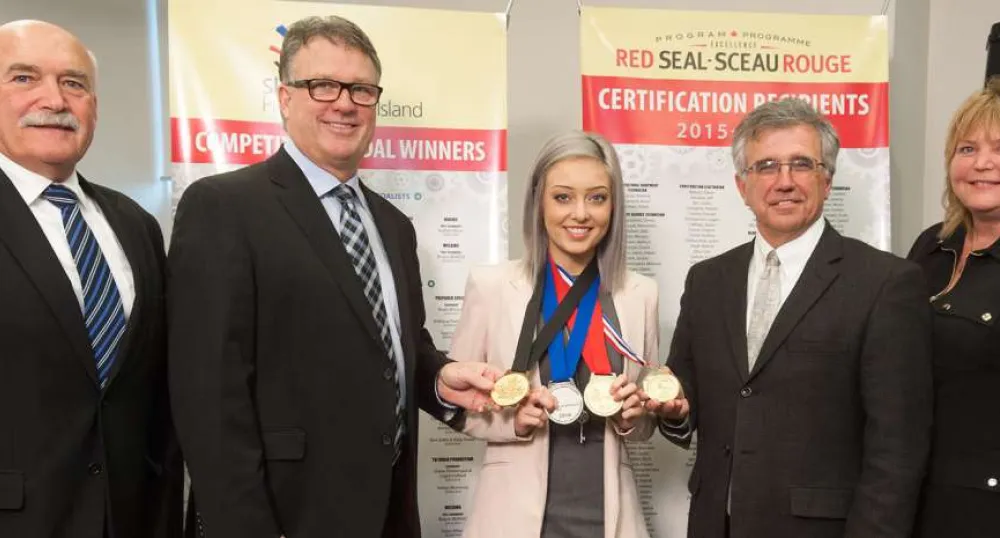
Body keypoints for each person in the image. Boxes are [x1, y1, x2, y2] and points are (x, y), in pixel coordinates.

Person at [168, 15, 501, 538]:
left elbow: (391, 350)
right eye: (323, 85)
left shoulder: (393, 226)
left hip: (388, 511)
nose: (344, 103)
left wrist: (436, 376)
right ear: (284, 97)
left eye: (361, 89)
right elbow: (207, 395)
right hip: (282, 515)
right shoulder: (224, 208)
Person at [646, 98, 933, 538]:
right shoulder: (707, 281)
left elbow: (897, 449)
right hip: (714, 524)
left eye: (801, 164)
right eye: (766, 166)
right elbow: (688, 403)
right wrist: (674, 409)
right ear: (743, 185)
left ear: (827, 179)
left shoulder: (885, 283)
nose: (784, 182)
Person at [0, 19, 182, 538]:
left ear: (94, 108)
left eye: (74, 83)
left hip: (132, 516)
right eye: (23, 78)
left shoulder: (135, 224)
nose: (53, 99)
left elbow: (155, 397)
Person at [449, 130, 658, 538]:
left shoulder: (640, 294)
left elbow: (646, 422)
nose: (580, 213)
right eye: (563, 197)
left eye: (597, 197)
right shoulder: (491, 287)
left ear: (613, 207)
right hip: (513, 518)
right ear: (538, 203)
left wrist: (637, 416)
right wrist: (512, 422)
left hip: (610, 518)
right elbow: (458, 406)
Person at [907, 78, 1000, 537]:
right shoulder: (931, 245)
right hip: (916, 491)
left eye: (999, 148)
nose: (983, 163)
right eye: (967, 149)